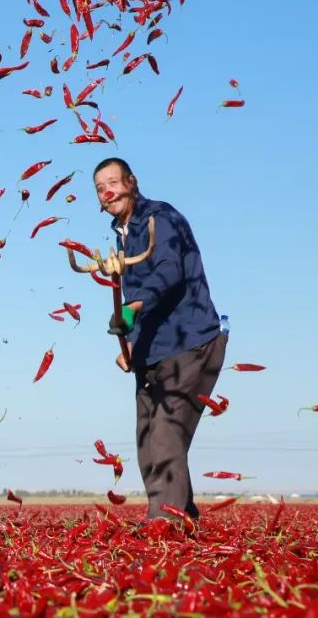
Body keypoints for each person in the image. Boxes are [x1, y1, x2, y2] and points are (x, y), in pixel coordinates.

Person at [93, 157, 226, 522]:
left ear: (132, 182)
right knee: (148, 440)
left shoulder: (159, 218)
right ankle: (181, 518)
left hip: (189, 342)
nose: (108, 192)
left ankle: (163, 527)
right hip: (154, 351)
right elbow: (140, 297)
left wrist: (132, 307)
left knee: (166, 434)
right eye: (100, 189)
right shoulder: (124, 237)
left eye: (114, 183)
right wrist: (132, 344)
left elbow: (169, 271)